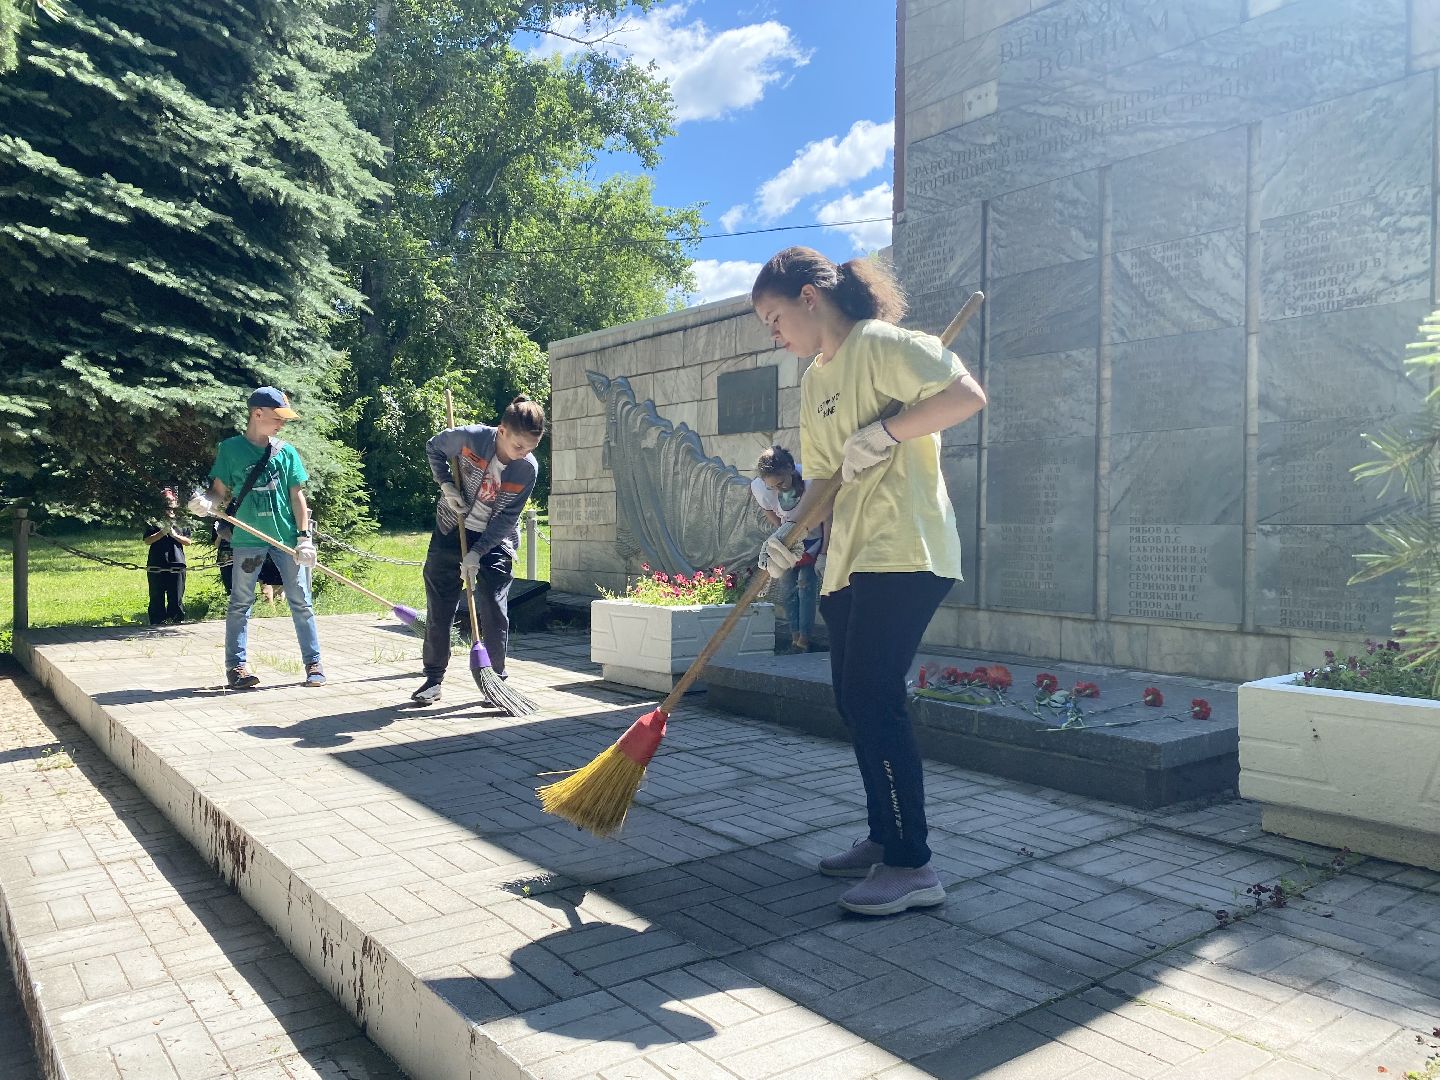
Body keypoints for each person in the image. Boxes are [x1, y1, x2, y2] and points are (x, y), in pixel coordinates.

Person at [751, 247, 987, 916]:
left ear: (809, 297)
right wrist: (788, 535)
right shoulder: (813, 382)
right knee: (852, 700)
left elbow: (965, 396)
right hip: (849, 557)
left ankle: (912, 864)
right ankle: (885, 836)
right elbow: (825, 480)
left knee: (873, 693)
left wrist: (888, 431)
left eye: (775, 319)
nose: (775, 335)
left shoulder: (880, 344)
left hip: (905, 547)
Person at [411, 394, 545, 704]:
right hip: (452, 528)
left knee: (494, 607)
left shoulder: (527, 469)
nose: (523, 454)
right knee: (440, 605)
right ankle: (433, 678)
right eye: (518, 446)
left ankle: (495, 680)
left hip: (496, 540)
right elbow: (434, 447)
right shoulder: (470, 437)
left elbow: (508, 518)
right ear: (502, 431)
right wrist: (446, 484)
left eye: (530, 448)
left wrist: (477, 552)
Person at [189, 387, 324, 690]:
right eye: (277, 418)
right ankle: (236, 667)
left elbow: (297, 497)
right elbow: (218, 492)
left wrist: (304, 538)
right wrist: (206, 502)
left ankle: (314, 664)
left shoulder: (286, 452)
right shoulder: (230, 449)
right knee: (240, 602)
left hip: (287, 539)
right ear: (257, 413)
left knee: (301, 602)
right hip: (247, 539)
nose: (282, 424)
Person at [750, 446, 822, 652]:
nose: (778, 489)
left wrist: (824, 551)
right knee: (787, 587)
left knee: (805, 585)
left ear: (790, 468)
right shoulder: (762, 488)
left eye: (781, 483)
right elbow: (767, 509)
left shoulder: (811, 480)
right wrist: (782, 531)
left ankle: (804, 639)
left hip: (814, 539)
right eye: (772, 487)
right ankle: (794, 637)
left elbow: (827, 516)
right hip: (789, 540)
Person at [143, 487, 191, 624]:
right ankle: (156, 623)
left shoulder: (182, 520)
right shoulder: (154, 521)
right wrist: (162, 533)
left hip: (177, 563)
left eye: (171, 501)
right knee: (156, 597)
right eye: (165, 501)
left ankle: (176, 622)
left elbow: (188, 541)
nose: (169, 505)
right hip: (156, 563)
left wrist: (174, 535)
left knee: (176, 597)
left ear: (176, 503)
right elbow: (147, 540)